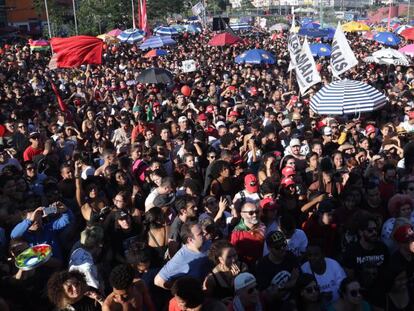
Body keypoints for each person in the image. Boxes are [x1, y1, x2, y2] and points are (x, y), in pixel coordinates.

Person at [154, 222, 210, 289]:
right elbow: (158, 281)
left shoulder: (207, 243)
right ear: (190, 240)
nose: (205, 234)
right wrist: (182, 291)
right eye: (200, 234)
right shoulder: (181, 257)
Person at [255, 230, 299, 310]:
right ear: (269, 248)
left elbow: (298, 281)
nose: (282, 248)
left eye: (284, 244)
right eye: (278, 247)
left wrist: (278, 288)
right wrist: (289, 284)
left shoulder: (290, 256)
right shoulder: (262, 266)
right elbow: (268, 297)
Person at [230, 202, 265, 268]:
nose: (255, 215)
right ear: (242, 214)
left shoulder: (264, 227)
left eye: (257, 212)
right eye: (251, 213)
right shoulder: (237, 233)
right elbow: (234, 254)